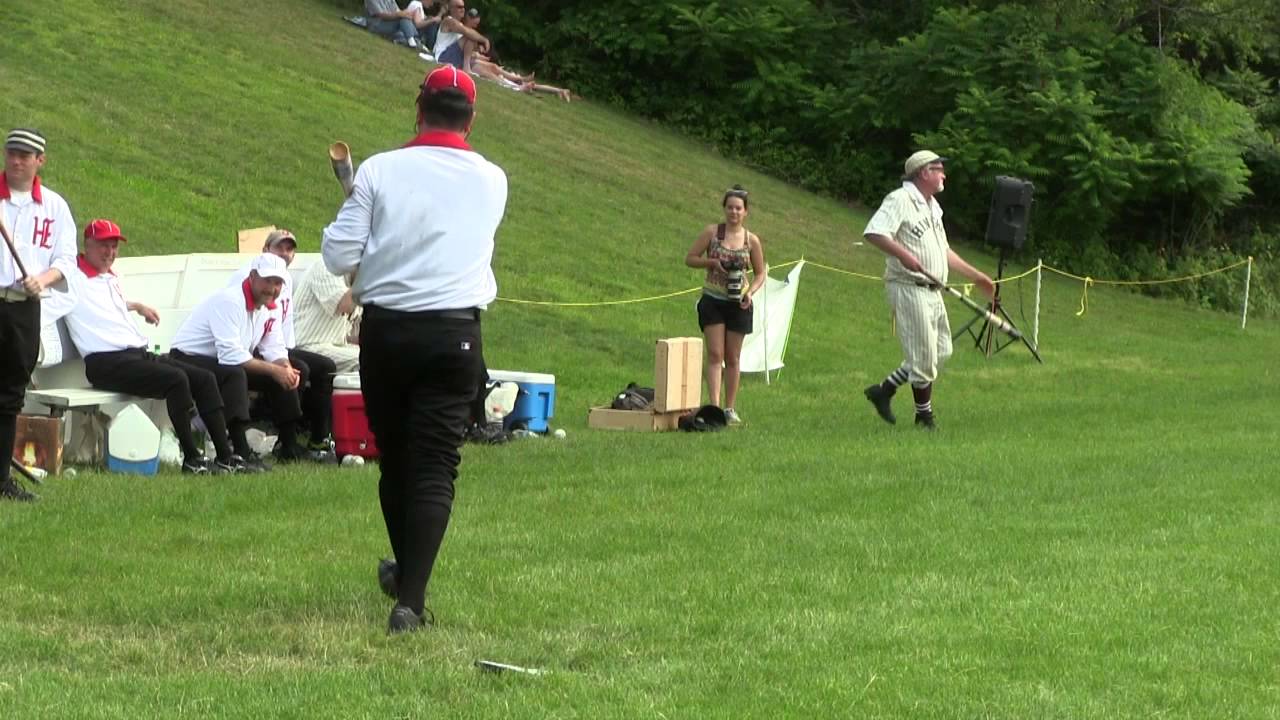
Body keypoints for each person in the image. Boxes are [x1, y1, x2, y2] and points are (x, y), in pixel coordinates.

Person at [322, 65, 507, 634]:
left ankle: (409, 582)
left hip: (389, 332)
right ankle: (410, 598)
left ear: (418, 109)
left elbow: (337, 256)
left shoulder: (380, 169)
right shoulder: (492, 178)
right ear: (471, 118)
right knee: (434, 466)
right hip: (455, 332)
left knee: (397, 458)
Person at [65, 219, 242, 474]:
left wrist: (136, 306)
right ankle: (192, 458)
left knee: (205, 378)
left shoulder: (108, 276)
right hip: (105, 362)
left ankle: (226, 456)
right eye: (104, 245)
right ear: (87, 245)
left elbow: (104, 305)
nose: (110, 252)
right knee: (177, 379)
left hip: (135, 355)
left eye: (114, 246)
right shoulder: (73, 275)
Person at [861, 150, 995, 431]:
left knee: (940, 352)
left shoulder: (932, 206)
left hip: (933, 291)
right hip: (909, 287)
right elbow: (874, 232)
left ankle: (883, 390)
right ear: (923, 172)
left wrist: (977, 276)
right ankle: (925, 417)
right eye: (939, 169)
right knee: (924, 358)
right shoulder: (900, 200)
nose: (944, 174)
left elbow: (944, 251)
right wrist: (903, 255)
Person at [168, 253, 304, 471]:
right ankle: (239, 451)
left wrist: (284, 367)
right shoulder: (230, 300)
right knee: (235, 375)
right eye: (267, 281)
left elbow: (274, 346)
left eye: (278, 283)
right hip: (187, 356)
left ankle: (289, 444)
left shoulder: (271, 306)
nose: (272, 288)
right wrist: (274, 370)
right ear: (252, 277)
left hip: (222, 359)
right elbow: (230, 354)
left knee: (289, 371)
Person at [1, 128, 76, 502]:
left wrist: (42, 279)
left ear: (39, 161)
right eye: (11, 153)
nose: (16, 161)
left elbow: (66, 261)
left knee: (11, 393)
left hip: (24, 308)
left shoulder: (54, 206)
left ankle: (1, 480)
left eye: (24, 156)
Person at [228, 230, 336, 460]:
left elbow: (280, 328)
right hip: (249, 344)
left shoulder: (283, 280)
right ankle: (282, 435)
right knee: (300, 369)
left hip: (274, 343)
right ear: (266, 250)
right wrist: (281, 364)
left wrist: (285, 360)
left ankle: (318, 438)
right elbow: (245, 330)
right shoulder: (248, 278)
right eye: (279, 248)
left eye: (289, 249)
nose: (285, 254)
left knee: (324, 366)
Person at [684, 185, 766, 425]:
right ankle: (714, 406)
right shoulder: (712, 233)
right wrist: (710, 263)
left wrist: (750, 293)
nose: (733, 212)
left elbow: (761, 273)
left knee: (733, 357)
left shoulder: (752, 241)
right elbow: (689, 258)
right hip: (713, 299)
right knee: (715, 354)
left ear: (746, 212)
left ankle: (730, 408)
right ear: (724, 209)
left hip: (738, 302)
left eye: (738, 208)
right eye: (730, 207)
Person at [461, 10, 571, 102]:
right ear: (468, 18)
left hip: (482, 64)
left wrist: (479, 54)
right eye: (475, 23)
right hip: (477, 63)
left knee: (498, 70)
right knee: (500, 74)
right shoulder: (464, 31)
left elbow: (473, 52)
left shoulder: (471, 34)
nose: (476, 25)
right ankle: (557, 90)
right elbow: (469, 51)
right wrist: (479, 54)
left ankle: (557, 90)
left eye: (477, 23)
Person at [292, 260, 360, 373]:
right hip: (307, 346)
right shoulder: (326, 266)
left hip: (334, 346)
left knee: (380, 355)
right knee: (366, 360)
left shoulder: (354, 282)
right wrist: (365, 279)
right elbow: (345, 305)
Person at [433, 1, 489, 69]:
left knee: (488, 67)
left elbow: (468, 47)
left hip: (453, 57)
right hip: (442, 57)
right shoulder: (448, 20)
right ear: (451, 8)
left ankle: (500, 78)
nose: (463, 9)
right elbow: (466, 32)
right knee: (470, 36)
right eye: (459, 7)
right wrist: (484, 40)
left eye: (463, 7)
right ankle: (466, 68)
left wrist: (479, 49)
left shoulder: (460, 25)